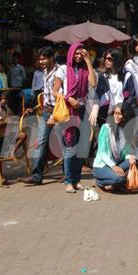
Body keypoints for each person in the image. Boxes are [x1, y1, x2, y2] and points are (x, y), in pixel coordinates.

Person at [56, 44, 97, 194]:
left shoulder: (84, 69)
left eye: (81, 54)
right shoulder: (62, 69)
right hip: (68, 111)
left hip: (83, 109)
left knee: (81, 148)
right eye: (76, 54)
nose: (78, 56)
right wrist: (68, 98)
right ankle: (68, 181)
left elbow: (93, 83)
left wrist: (88, 61)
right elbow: (55, 91)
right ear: (71, 53)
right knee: (70, 147)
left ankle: (77, 179)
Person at [20, 46, 63, 186]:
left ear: (51, 58)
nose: (41, 61)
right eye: (40, 59)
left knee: (63, 143)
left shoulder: (60, 71)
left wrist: (56, 114)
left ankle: (69, 173)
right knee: (42, 143)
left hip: (58, 112)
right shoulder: (43, 72)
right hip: (46, 111)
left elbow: (62, 94)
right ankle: (37, 176)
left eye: (44, 58)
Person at [92, 103, 138, 191]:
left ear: (126, 116)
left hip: (116, 163)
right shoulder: (106, 128)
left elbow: (124, 154)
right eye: (115, 113)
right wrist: (114, 166)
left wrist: (130, 157)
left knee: (134, 161)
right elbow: (102, 152)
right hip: (102, 165)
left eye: (119, 114)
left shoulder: (127, 130)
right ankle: (99, 181)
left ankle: (115, 181)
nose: (116, 116)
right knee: (120, 179)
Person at [94, 49, 133, 122]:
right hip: (106, 116)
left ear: (117, 60)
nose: (106, 60)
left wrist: (121, 108)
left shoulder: (127, 76)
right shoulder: (103, 76)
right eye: (105, 58)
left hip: (123, 115)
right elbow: (98, 95)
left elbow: (132, 96)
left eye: (109, 59)